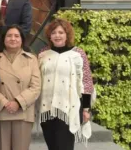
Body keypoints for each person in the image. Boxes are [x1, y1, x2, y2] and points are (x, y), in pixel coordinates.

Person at [37, 18, 95, 150]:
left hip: (69, 108)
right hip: (47, 108)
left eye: (61, 32)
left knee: (65, 146)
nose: (57, 36)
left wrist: (86, 109)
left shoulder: (77, 54)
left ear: (67, 34)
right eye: (53, 33)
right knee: (52, 145)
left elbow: (86, 81)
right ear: (49, 36)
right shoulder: (42, 54)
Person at [0, 25, 41, 150]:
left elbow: (35, 87)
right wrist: (4, 102)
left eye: (16, 36)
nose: (13, 39)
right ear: (3, 39)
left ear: (22, 39)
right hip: (1, 111)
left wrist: (18, 102)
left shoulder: (31, 59)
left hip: (23, 112)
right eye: (9, 36)